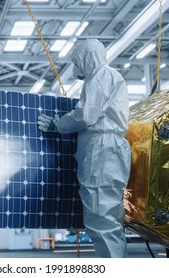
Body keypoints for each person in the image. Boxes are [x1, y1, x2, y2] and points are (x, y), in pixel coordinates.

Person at [37, 39, 131, 257]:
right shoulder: (108, 77)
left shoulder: (100, 75)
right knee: (108, 217)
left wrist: (57, 124)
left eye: (78, 63)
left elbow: (85, 115)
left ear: (86, 58)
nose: (77, 69)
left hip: (101, 150)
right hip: (109, 150)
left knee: (101, 218)